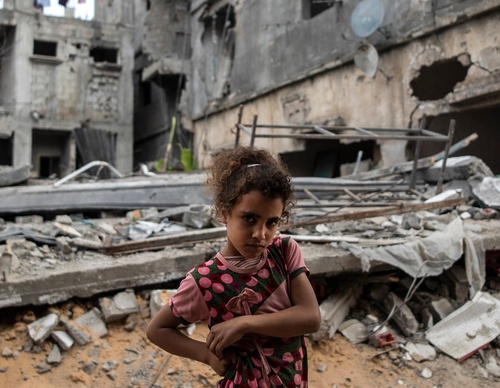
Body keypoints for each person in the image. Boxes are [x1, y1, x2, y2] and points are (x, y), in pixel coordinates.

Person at [146, 145, 321, 387]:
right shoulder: (206, 281)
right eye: (249, 218)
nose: (261, 234)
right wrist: (206, 355)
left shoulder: (284, 252)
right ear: (224, 212)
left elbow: (310, 317)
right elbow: (157, 330)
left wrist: (244, 323)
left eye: (272, 222)